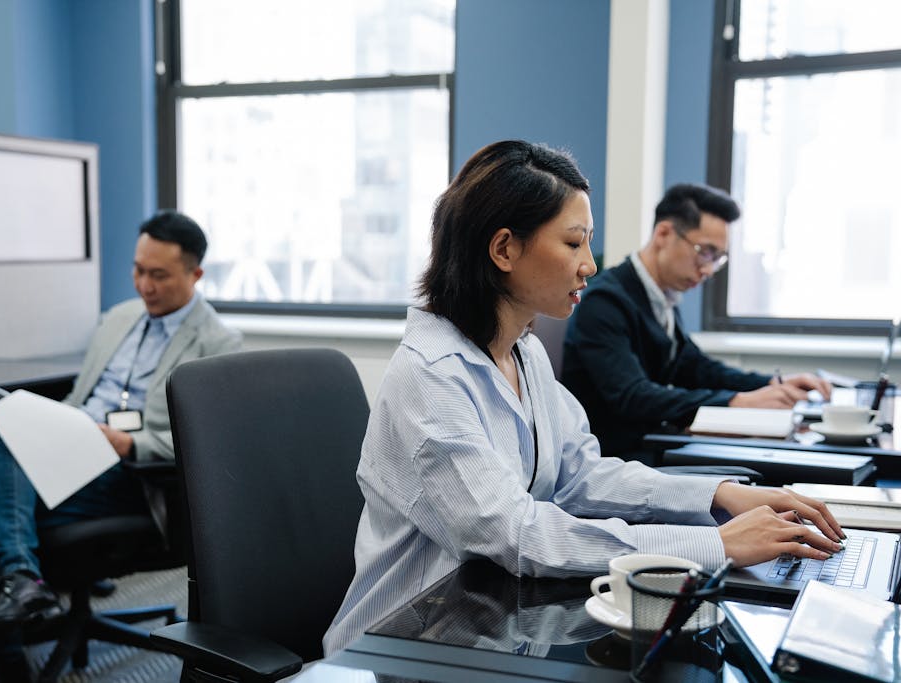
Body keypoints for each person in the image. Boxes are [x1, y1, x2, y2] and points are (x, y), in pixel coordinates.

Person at [322, 141, 843, 655]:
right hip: (397, 651)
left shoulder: (524, 354)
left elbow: (580, 474)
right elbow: (516, 534)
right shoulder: (431, 377)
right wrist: (714, 545)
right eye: (573, 244)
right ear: (504, 249)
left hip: (494, 628)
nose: (590, 265)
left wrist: (718, 496)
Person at [0, 211, 242, 664]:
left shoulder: (218, 345)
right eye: (138, 270)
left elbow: (210, 442)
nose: (143, 285)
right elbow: (79, 396)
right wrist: (46, 423)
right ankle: (24, 591)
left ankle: (9, 641)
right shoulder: (119, 318)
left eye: (159, 275)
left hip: (131, 473)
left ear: (195, 273)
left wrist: (132, 443)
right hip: (73, 448)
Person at [561, 183, 832, 460]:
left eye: (718, 258)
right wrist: (735, 402)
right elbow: (633, 396)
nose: (708, 269)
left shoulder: (661, 298)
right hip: (614, 459)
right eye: (705, 251)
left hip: (654, 445)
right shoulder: (606, 301)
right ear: (663, 234)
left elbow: (697, 368)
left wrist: (774, 382)